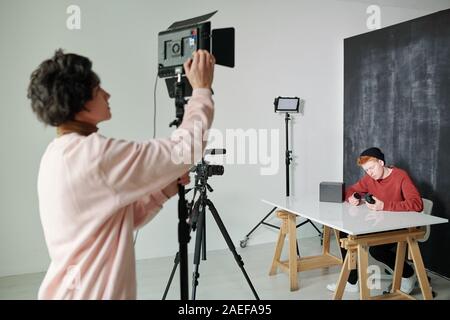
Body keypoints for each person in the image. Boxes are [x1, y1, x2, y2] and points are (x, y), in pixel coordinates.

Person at [27, 49, 216, 299]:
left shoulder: (57, 154)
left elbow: (113, 223)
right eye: (98, 90)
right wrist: (202, 91)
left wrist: (163, 189)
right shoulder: (94, 154)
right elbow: (185, 149)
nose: (107, 94)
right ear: (80, 105)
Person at [327, 147, 423, 294]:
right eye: (366, 170)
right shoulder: (370, 178)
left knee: (376, 250)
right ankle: (352, 281)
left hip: (401, 225)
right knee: (343, 231)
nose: (370, 173)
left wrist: (384, 206)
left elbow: (417, 204)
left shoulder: (400, 176)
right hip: (380, 223)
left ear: (381, 162)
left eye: (372, 168)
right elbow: (351, 190)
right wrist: (353, 198)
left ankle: (408, 274)